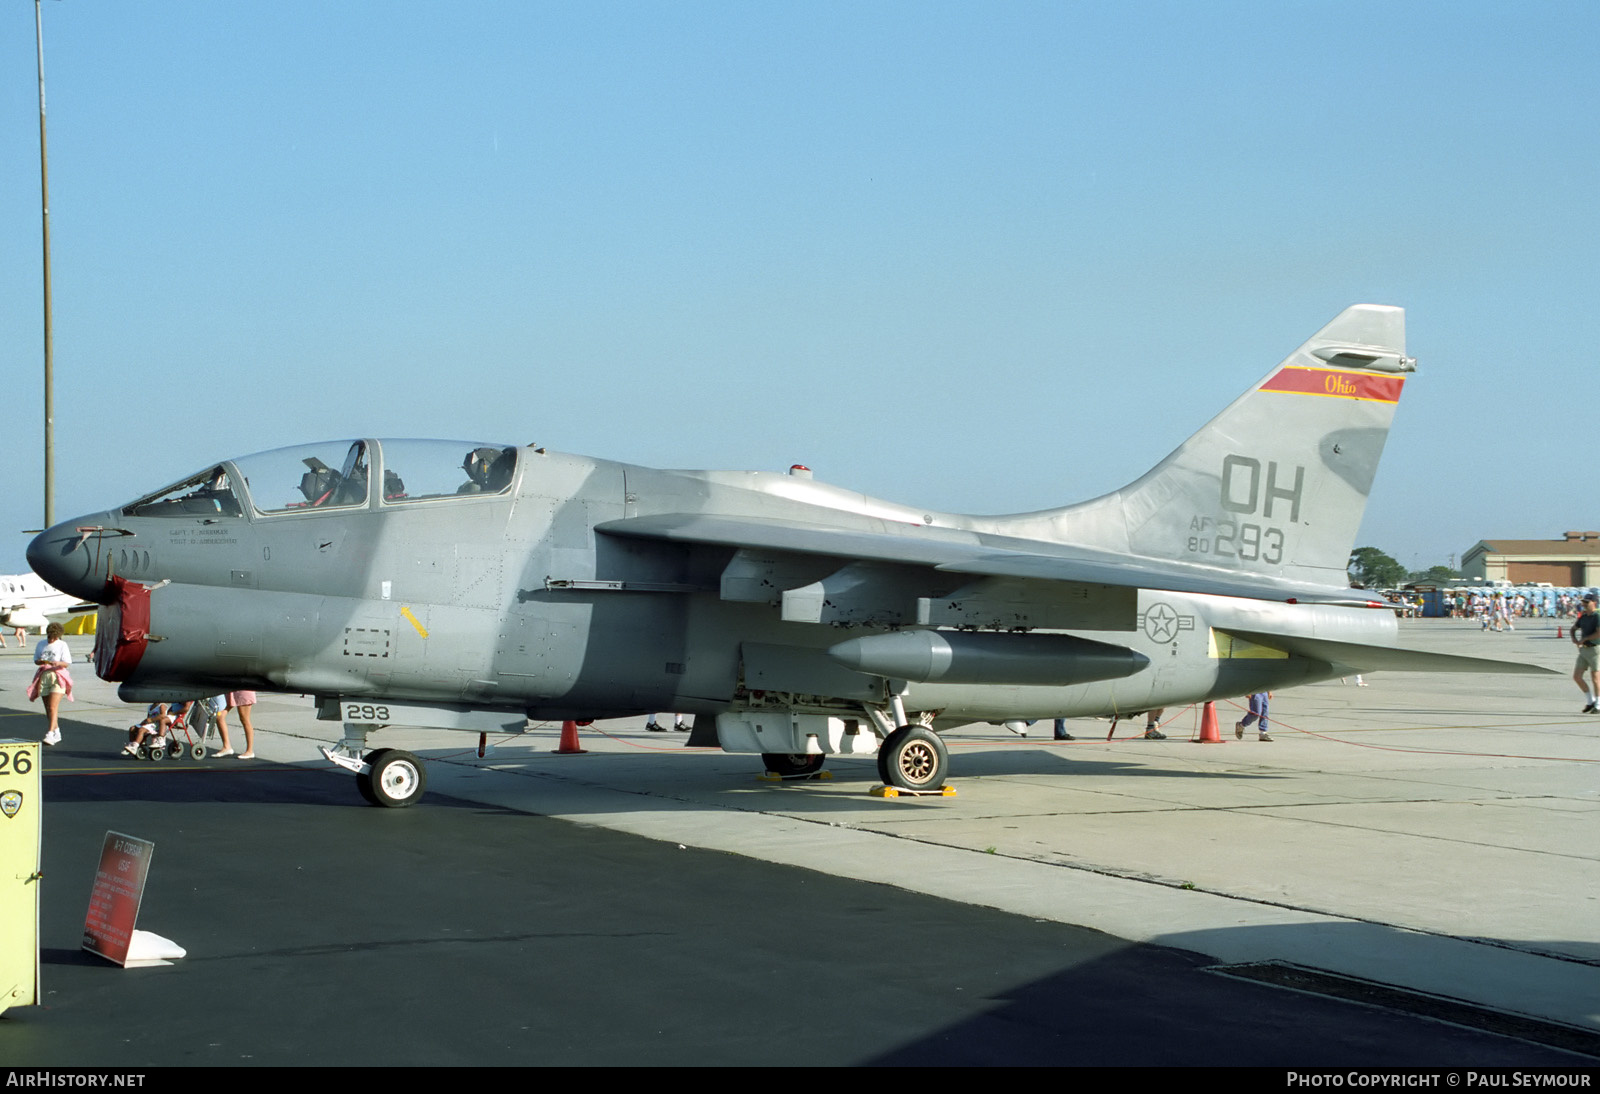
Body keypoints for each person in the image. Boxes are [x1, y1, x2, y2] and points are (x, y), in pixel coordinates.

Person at [30, 622, 73, 745]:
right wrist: (40, 661)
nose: (51, 639)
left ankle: (49, 733)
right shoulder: (41, 644)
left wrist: (57, 663)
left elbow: (67, 662)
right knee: (48, 708)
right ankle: (57, 732)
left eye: (54, 637)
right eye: (49, 636)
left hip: (58, 676)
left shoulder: (62, 645)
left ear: (58, 636)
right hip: (44, 675)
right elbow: (36, 660)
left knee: (53, 707)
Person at [1572, 595, 1599, 714]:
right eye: (1583, 602)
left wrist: (1584, 639)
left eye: (1587, 602)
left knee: (1596, 678)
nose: (1584, 604)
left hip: (1595, 649)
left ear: (1594, 603)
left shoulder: (1597, 616)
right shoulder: (1583, 616)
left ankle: (1598, 704)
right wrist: (1574, 638)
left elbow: (1599, 633)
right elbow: (1573, 628)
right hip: (1584, 650)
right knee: (1577, 676)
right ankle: (1590, 700)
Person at [214, 691, 259, 758]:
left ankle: (249, 751)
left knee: (244, 719)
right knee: (219, 716)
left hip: (243, 691)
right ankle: (227, 747)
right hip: (232, 691)